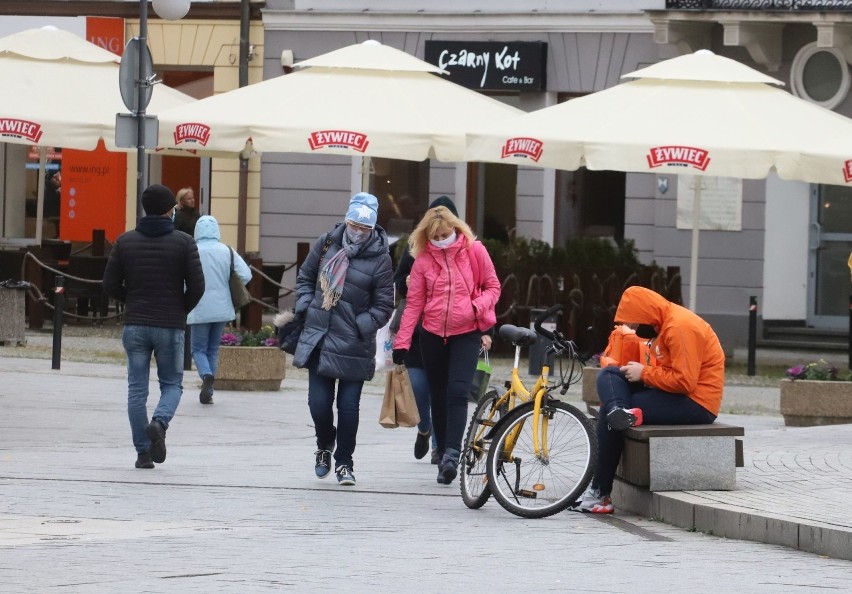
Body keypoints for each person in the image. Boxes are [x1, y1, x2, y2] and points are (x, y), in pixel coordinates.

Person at [576, 285, 725, 514]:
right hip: (674, 394)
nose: (635, 330)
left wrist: (643, 373)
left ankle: (599, 493)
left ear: (647, 314)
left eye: (635, 324)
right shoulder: (664, 322)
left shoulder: (680, 327)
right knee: (609, 374)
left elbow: (685, 382)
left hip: (696, 403)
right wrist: (641, 372)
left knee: (607, 414)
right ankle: (620, 411)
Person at [392, 205, 501, 485]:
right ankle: (441, 451)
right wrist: (402, 342)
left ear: (456, 229)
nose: (442, 238)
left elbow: (493, 287)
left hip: (466, 333)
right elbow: (414, 303)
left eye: (446, 233)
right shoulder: (423, 260)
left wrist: (475, 307)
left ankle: (453, 453)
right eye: (436, 236)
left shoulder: (475, 251)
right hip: (431, 336)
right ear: (427, 236)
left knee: (457, 391)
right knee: (438, 396)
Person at [291, 192, 394, 486]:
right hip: (321, 337)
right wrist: (306, 306)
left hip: (353, 343)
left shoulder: (381, 258)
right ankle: (325, 444)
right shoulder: (326, 243)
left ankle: (345, 463)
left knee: (349, 407)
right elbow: (305, 277)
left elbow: (384, 305)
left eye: (365, 228)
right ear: (346, 220)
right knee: (318, 404)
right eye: (354, 224)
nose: (358, 232)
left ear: (373, 228)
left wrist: (360, 325)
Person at [103, 184, 205, 470]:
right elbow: (198, 286)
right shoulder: (184, 242)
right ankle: (159, 422)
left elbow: (109, 284)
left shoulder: (125, 241)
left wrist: (131, 301)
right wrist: (180, 309)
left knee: (136, 390)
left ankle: (143, 453)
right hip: (170, 324)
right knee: (172, 384)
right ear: (169, 209)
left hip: (135, 323)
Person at [392, 196, 460, 464]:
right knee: (420, 389)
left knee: (442, 391)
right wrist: (408, 282)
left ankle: (439, 446)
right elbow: (398, 282)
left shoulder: (464, 250)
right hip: (419, 332)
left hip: (449, 332)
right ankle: (425, 427)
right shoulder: (415, 249)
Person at [187, 215, 252, 405]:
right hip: (223, 307)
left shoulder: (192, 250)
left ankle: (206, 376)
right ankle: (211, 390)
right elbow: (246, 275)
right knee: (213, 349)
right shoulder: (227, 251)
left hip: (198, 306)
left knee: (198, 349)